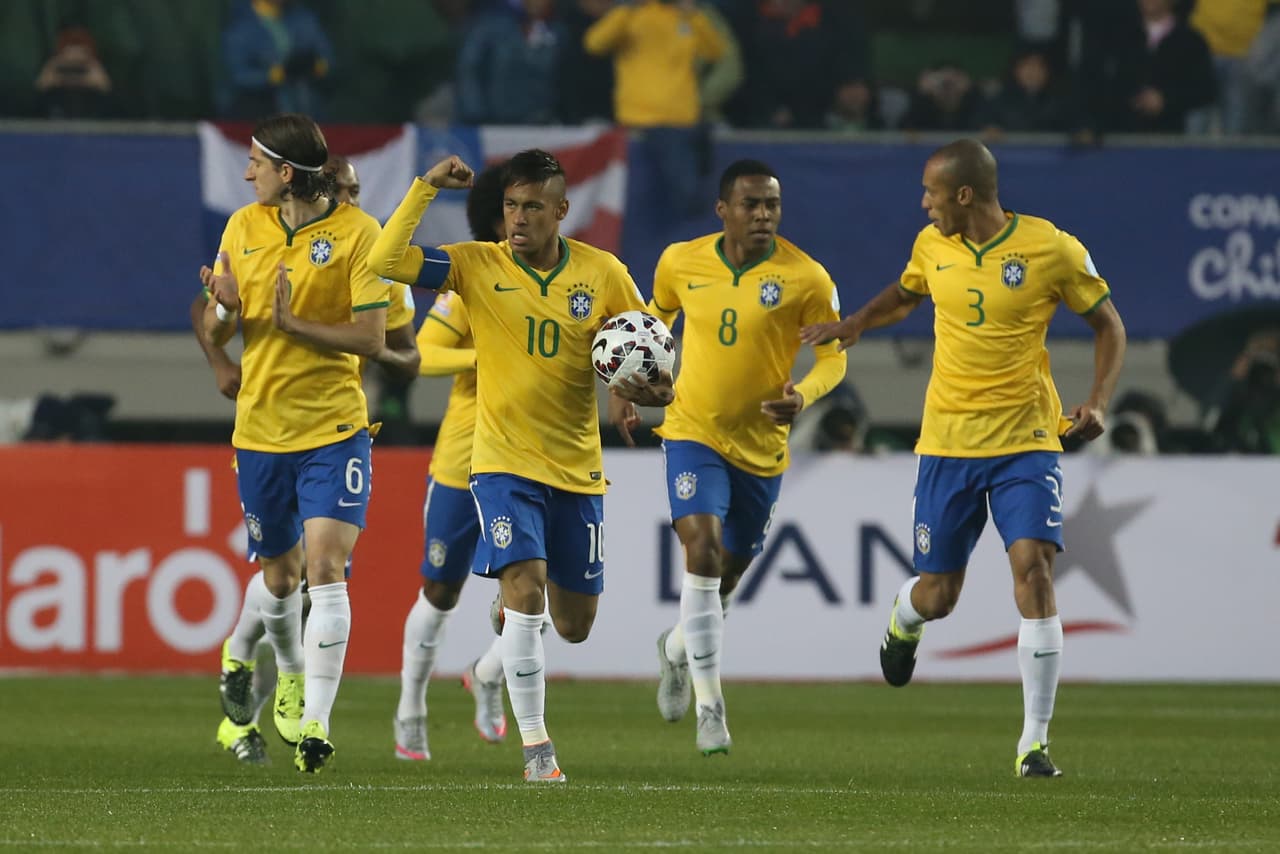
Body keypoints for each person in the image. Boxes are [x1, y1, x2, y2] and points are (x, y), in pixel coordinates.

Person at [801, 139, 1127, 778]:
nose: (925, 204)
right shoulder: (932, 246)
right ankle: (905, 618)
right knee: (939, 595)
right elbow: (906, 294)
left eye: (932, 193)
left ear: (965, 194)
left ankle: (1033, 744)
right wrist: (857, 323)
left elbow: (1109, 325)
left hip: (1026, 441)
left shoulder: (1052, 249)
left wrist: (1098, 402)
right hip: (948, 443)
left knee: (1035, 572)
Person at [368, 148, 673, 783]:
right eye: (511, 205)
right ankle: (537, 750)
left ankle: (490, 664)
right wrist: (426, 187)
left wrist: (645, 390)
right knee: (524, 588)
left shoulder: (603, 272)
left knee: (574, 624)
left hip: (576, 467)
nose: (518, 218)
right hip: (500, 462)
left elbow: (647, 349)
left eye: (533, 206)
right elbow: (385, 262)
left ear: (562, 211)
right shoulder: (475, 265)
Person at [196, 152, 421, 765]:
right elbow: (208, 310)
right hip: (267, 430)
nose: (347, 202)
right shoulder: (260, 232)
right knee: (283, 579)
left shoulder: (370, 255)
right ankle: (241, 670)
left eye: (355, 193)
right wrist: (220, 359)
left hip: (335, 429)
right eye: (340, 191)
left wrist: (368, 348)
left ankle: (293, 710)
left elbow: (407, 355)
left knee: (318, 575)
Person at [631, 159, 847, 756]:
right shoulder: (680, 261)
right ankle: (711, 708)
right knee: (701, 550)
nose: (763, 215)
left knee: (724, 580)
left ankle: (676, 648)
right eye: (751, 204)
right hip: (692, 431)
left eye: (772, 204)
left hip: (761, 448)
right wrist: (630, 383)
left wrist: (805, 395)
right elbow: (653, 321)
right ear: (722, 209)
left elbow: (834, 358)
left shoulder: (806, 278)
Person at [393, 163, 512, 761]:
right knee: (440, 590)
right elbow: (424, 353)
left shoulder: (572, 279)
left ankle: (488, 674)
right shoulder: (473, 279)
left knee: (535, 593)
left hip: (532, 460)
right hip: (464, 459)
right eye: (514, 207)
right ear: (496, 219)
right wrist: (484, 357)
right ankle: (411, 707)